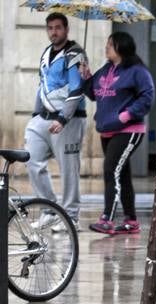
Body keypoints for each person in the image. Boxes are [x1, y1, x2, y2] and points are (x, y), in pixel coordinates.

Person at [81, 32, 154, 236]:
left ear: (121, 47)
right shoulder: (107, 69)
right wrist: (86, 76)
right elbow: (94, 94)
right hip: (107, 130)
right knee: (122, 174)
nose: (106, 47)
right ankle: (131, 221)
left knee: (110, 170)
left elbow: (148, 96)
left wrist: (127, 115)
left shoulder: (137, 71)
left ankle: (107, 219)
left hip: (128, 130)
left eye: (110, 44)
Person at [24, 13, 87, 231]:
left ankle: (71, 217)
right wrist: (36, 114)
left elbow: (77, 89)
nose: (53, 32)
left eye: (58, 27)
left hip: (69, 120)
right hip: (43, 118)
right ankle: (49, 210)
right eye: (50, 28)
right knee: (31, 159)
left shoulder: (75, 53)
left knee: (69, 169)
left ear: (66, 29)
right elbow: (42, 85)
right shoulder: (46, 53)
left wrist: (63, 118)